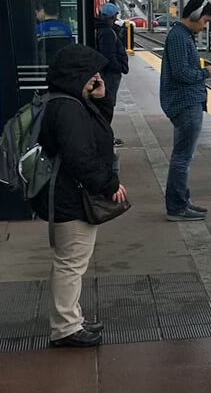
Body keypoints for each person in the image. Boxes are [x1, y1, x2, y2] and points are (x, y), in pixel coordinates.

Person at [31, 44, 126, 349]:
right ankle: (66, 328)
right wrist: (108, 183)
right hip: (70, 196)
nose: (96, 77)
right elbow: (80, 155)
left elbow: (100, 128)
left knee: (71, 260)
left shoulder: (68, 101)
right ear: (76, 73)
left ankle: (71, 317)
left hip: (67, 193)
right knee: (70, 262)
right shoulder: (68, 108)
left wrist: (101, 96)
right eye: (91, 73)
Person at [160, 0, 211, 221]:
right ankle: (176, 207)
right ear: (194, 16)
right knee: (182, 157)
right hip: (184, 102)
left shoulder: (183, 36)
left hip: (188, 101)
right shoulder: (178, 37)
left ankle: (183, 201)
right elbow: (181, 73)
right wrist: (205, 73)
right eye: (204, 20)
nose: (204, 26)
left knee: (184, 156)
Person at [92, 2, 129, 121]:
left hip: (106, 72)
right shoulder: (107, 31)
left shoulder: (101, 29)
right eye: (116, 15)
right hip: (109, 74)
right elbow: (108, 54)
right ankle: (105, 133)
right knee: (108, 103)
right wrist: (118, 67)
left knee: (105, 102)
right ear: (112, 16)